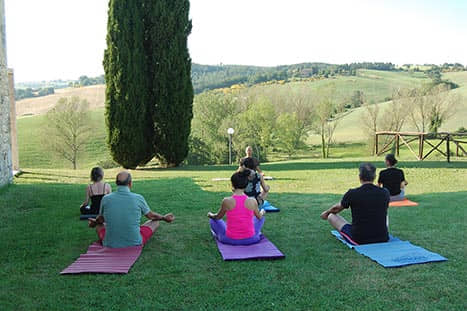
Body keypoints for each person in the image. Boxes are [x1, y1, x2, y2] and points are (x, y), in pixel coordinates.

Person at [88, 171, 175, 248]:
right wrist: (164, 218)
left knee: (99, 225)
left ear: (116, 183)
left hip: (109, 243)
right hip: (134, 242)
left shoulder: (106, 198)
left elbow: (100, 220)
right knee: (155, 222)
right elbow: (152, 216)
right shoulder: (138, 198)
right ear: (130, 183)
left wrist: (95, 222)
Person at [320, 163, 389, 245]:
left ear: (360, 177)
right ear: (374, 177)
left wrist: (326, 213)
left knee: (331, 216)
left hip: (359, 239)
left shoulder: (353, 193)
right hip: (382, 237)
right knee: (386, 215)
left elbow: (336, 208)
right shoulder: (385, 192)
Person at [208, 168, 266, 245]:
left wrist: (211, 215)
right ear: (246, 185)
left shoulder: (226, 201)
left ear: (232, 185)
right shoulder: (252, 201)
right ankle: (254, 232)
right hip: (251, 239)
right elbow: (259, 217)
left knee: (212, 220)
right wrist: (262, 212)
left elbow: (217, 217)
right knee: (261, 218)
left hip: (229, 239)